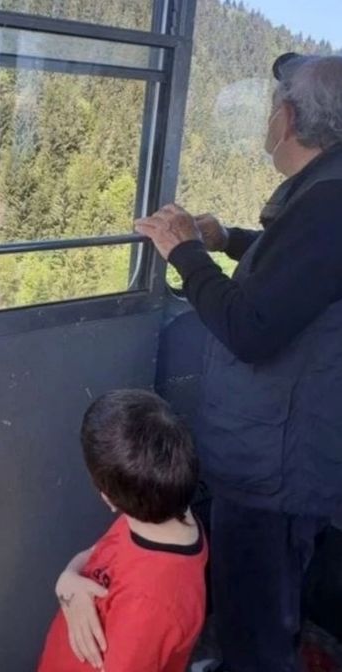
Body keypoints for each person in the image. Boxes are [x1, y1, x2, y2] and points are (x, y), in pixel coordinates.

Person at [133, 53, 342, 672]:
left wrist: (184, 254)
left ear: (289, 118)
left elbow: (251, 329)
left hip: (274, 465)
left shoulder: (329, 204)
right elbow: (303, 276)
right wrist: (229, 241)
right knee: (260, 607)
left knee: (255, 625)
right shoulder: (325, 195)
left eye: (273, 105)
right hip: (281, 452)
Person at [38, 389, 207, 672]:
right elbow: (94, 555)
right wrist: (67, 582)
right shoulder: (156, 515)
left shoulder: (154, 603)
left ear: (108, 499)